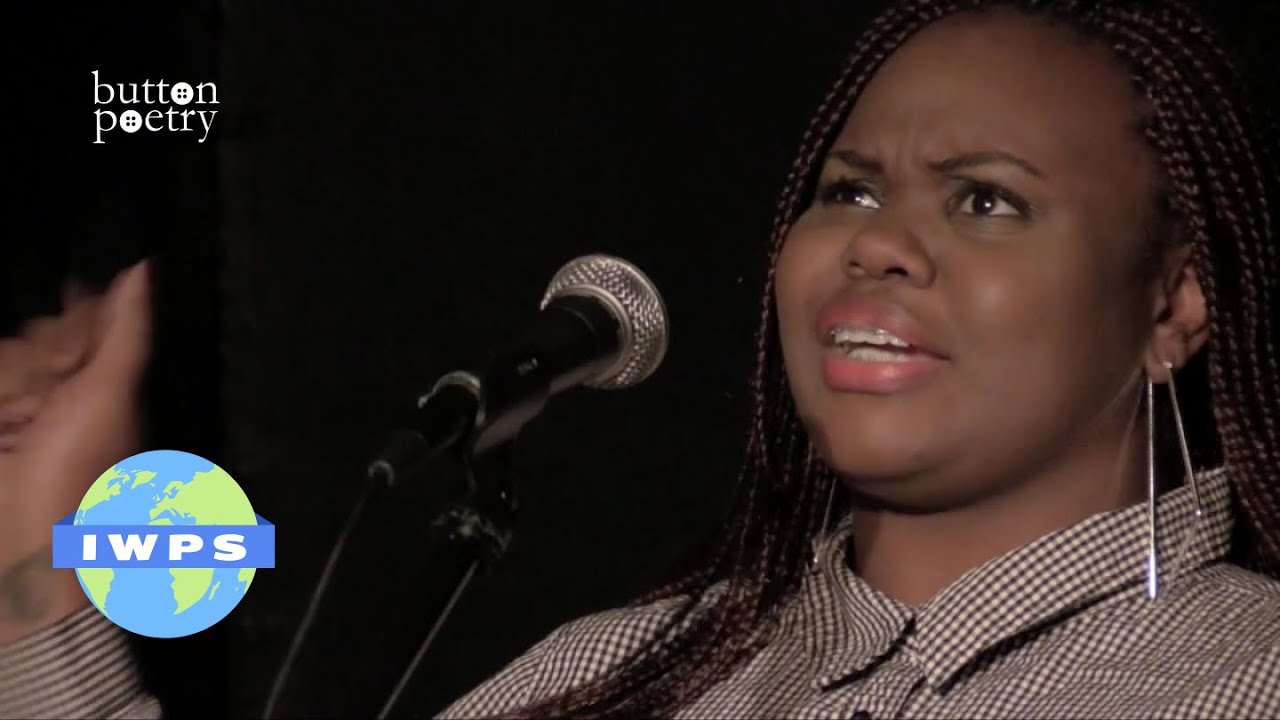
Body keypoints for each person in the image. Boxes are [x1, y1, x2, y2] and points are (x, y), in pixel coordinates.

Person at [2, 0, 1278, 717]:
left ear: (1174, 303)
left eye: (984, 200)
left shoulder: (1242, 677)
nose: (877, 243)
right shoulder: (611, 672)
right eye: (844, 191)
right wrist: (38, 585)